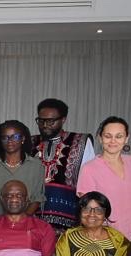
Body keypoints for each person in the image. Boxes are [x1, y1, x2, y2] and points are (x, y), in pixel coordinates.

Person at [32, 98, 96, 235]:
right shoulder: (30, 142)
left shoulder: (81, 142)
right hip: (33, 221)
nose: (45, 125)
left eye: (50, 121)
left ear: (63, 120)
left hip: (68, 220)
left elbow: (89, 185)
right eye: (41, 120)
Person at [74, 117, 131, 240]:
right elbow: (88, 210)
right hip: (105, 238)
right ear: (100, 138)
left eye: (119, 136)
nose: (113, 141)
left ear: (126, 138)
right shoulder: (89, 168)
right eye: (108, 136)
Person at [0, 120, 44, 220]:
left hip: (26, 226)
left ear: (23, 139)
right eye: (4, 137)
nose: (9, 140)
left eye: (15, 137)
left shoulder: (36, 166)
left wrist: (20, 224)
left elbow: (37, 199)